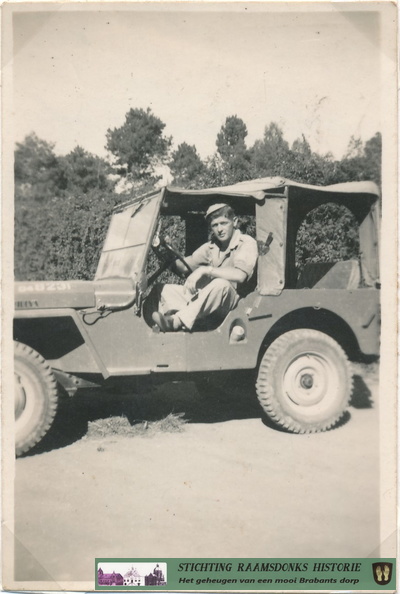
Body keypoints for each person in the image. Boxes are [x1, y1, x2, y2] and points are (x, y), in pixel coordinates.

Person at [152, 203, 258, 332]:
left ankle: (176, 321)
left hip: (236, 303)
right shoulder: (211, 247)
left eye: (224, 223)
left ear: (234, 222)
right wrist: (163, 251)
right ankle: (160, 324)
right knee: (161, 289)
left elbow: (240, 275)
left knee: (221, 284)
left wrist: (206, 270)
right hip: (211, 300)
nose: (219, 229)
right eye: (215, 225)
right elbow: (184, 266)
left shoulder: (246, 242)